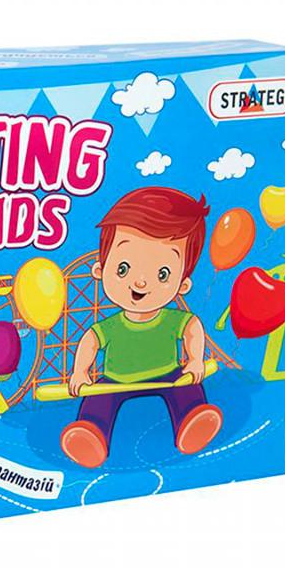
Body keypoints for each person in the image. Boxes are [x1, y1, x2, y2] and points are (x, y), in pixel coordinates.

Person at [62, 187, 222, 468]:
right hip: (116, 380)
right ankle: (90, 434)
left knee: (188, 389)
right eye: (123, 269)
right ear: (100, 270)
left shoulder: (172, 319)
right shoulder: (111, 326)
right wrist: (80, 371)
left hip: (168, 374)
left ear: (183, 285)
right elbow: (90, 340)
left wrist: (195, 359)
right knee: (97, 401)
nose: (140, 283)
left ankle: (193, 420)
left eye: (162, 274)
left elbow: (192, 327)